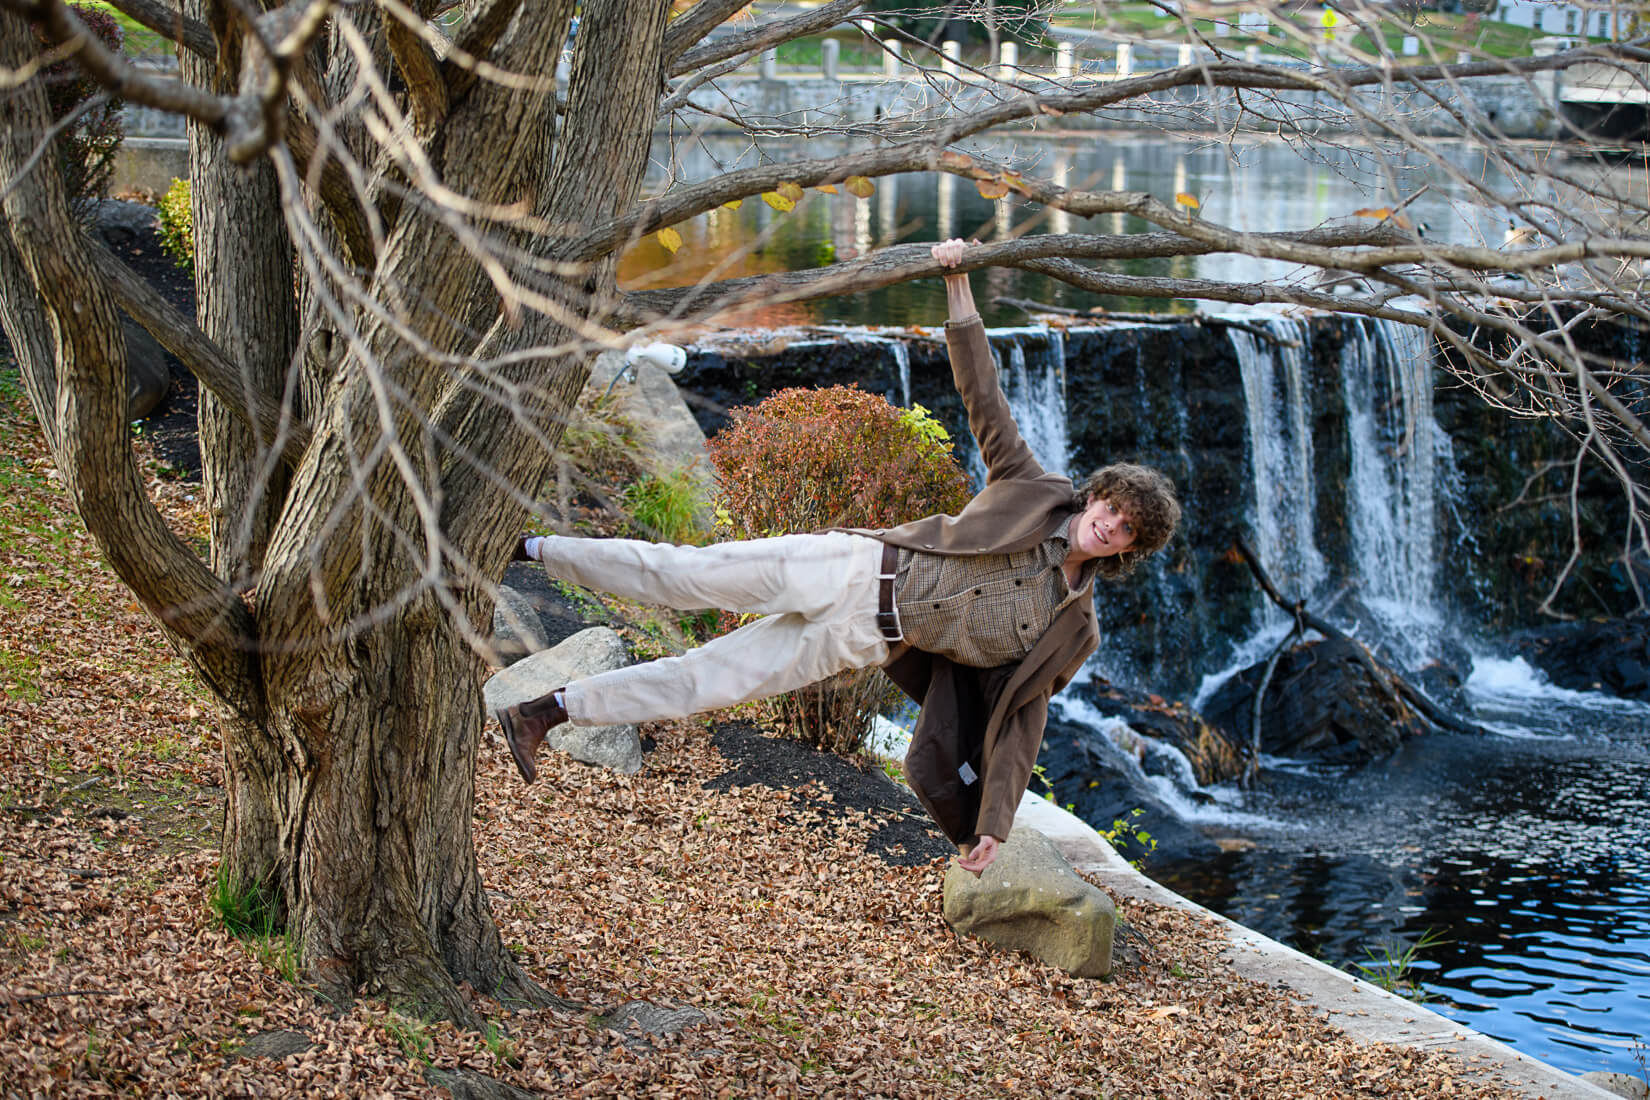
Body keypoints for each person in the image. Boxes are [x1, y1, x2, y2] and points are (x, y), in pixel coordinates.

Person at [497, 239, 1180, 873]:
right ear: (1097, 496)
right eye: (1111, 509)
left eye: (1125, 531)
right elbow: (985, 400)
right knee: (680, 575)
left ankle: (545, 711)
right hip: (852, 567)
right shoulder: (1035, 493)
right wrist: (958, 282)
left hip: (859, 639)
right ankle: (527, 547)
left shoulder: (1074, 629)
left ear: (1130, 550)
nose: (1109, 526)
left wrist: (993, 822)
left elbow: (1022, 717)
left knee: (704, 683)